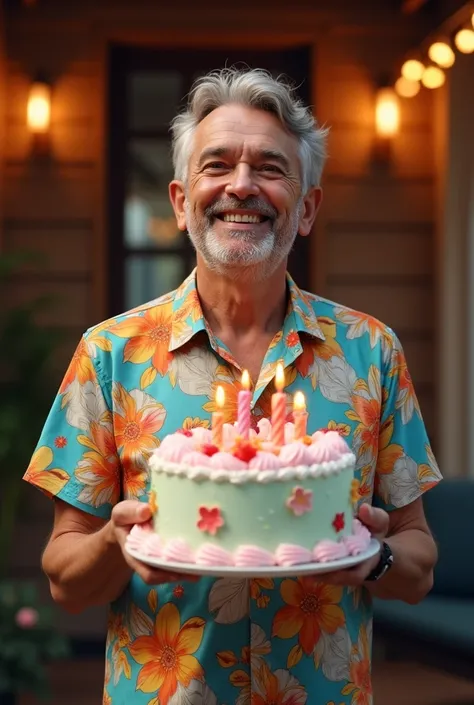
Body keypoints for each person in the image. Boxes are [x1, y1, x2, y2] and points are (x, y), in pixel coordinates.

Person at [24, 67, 442, 705]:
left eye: (271, 169)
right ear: (178, 201)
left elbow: (418, 564)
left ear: (306, 209)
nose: (241, 186)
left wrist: (373, 555)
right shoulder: (109, 355)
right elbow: (65, 579)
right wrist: (118, 541)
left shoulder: (371, 352)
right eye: (216, 165)